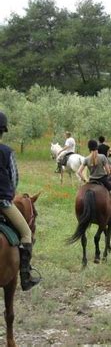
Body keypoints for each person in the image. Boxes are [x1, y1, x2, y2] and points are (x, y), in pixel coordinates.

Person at [0, 111, 41, 291]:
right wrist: (9, 193)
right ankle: (25, 276)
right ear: (3, 131)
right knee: (26, 234)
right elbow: (14, 178)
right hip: (3, 203)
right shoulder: (7, 151)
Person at [77, 139, 111, 225]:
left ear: (89, 148)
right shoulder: (102, 157)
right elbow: (108, 172)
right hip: (103, 180)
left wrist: (85, 180)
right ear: (97, 147)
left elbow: (79, 172)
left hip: (91, 181)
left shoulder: (86, 159)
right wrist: (105, 173)